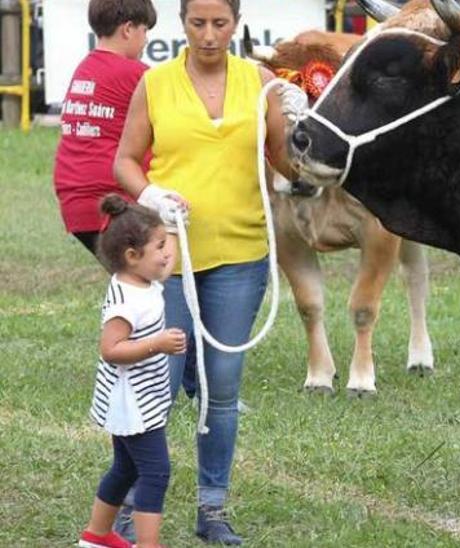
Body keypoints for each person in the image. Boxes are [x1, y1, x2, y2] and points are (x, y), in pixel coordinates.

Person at [112, 0, 301, 543]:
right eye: (199, 23)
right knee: (156, 385)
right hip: (164, 261)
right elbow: (125, 159)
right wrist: (149, 193)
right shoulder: (156, 83)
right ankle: (131, 504)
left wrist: (299, 119)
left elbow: (289, 163)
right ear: (182, 24)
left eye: (221, 24)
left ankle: (212, 509)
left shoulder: (259, 82)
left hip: (240, 257)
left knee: (221, 389)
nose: (210, 35)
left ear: (236, 24)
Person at [78, 195, 185, 548]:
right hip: (133, 403)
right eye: (159, 246)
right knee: (155, 473)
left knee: (125, 468)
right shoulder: (127, 300)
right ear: (132, 256)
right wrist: (158, 344)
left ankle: (96, 536)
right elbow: (111, 350)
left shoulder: (141, 279)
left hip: (140, 398)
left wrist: (175, 227)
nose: (166, 253)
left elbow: (165, 268)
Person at [52, 0, 155, 261]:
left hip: (76, 204)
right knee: (153, 280)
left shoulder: (85, 68)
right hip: (115, 201)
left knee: (134, 281)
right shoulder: (137, 74)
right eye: (145, 31)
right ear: (128, 29)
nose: (145, 41)